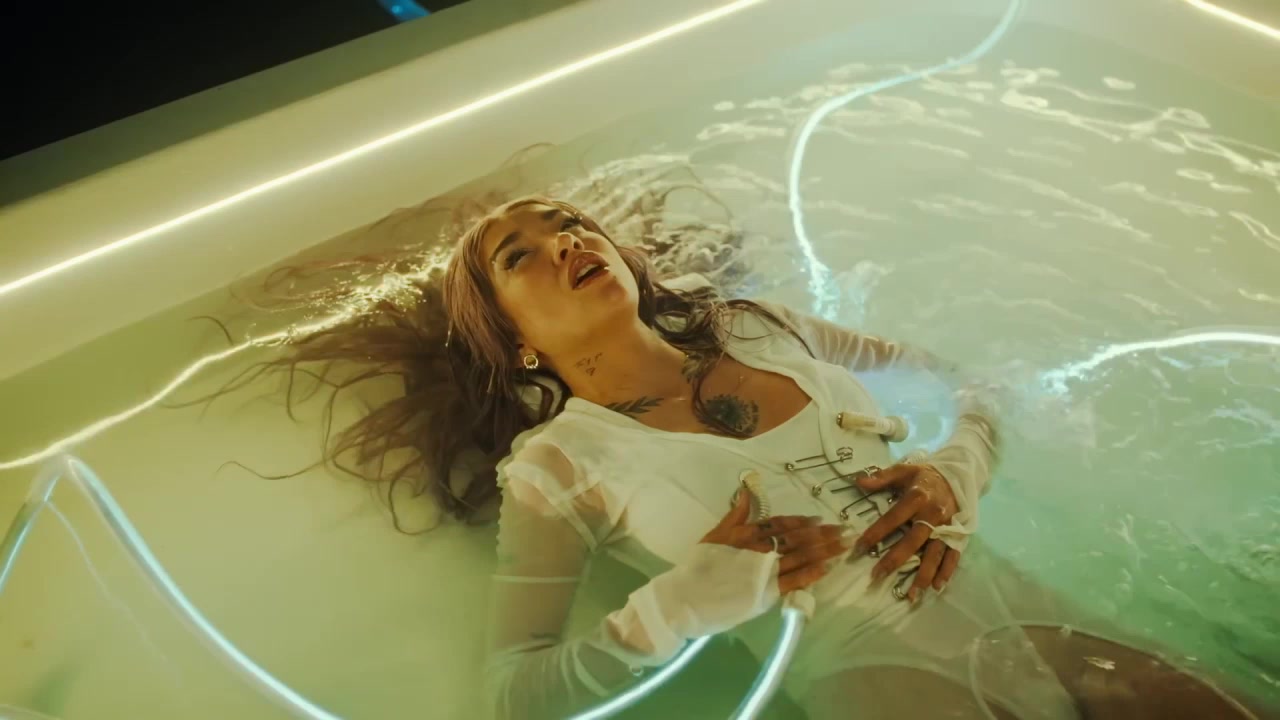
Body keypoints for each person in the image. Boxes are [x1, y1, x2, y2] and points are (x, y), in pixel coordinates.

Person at [234, 192, 1260, 720]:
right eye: (522, 256)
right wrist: (680, 605)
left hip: (1022, 608)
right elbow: (516, 694)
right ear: (513, 341)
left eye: (571, 224)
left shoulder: (757, 326)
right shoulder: (558, 466)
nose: (566, 243)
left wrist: (959, 469)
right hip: (876, 676)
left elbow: (974, 386)